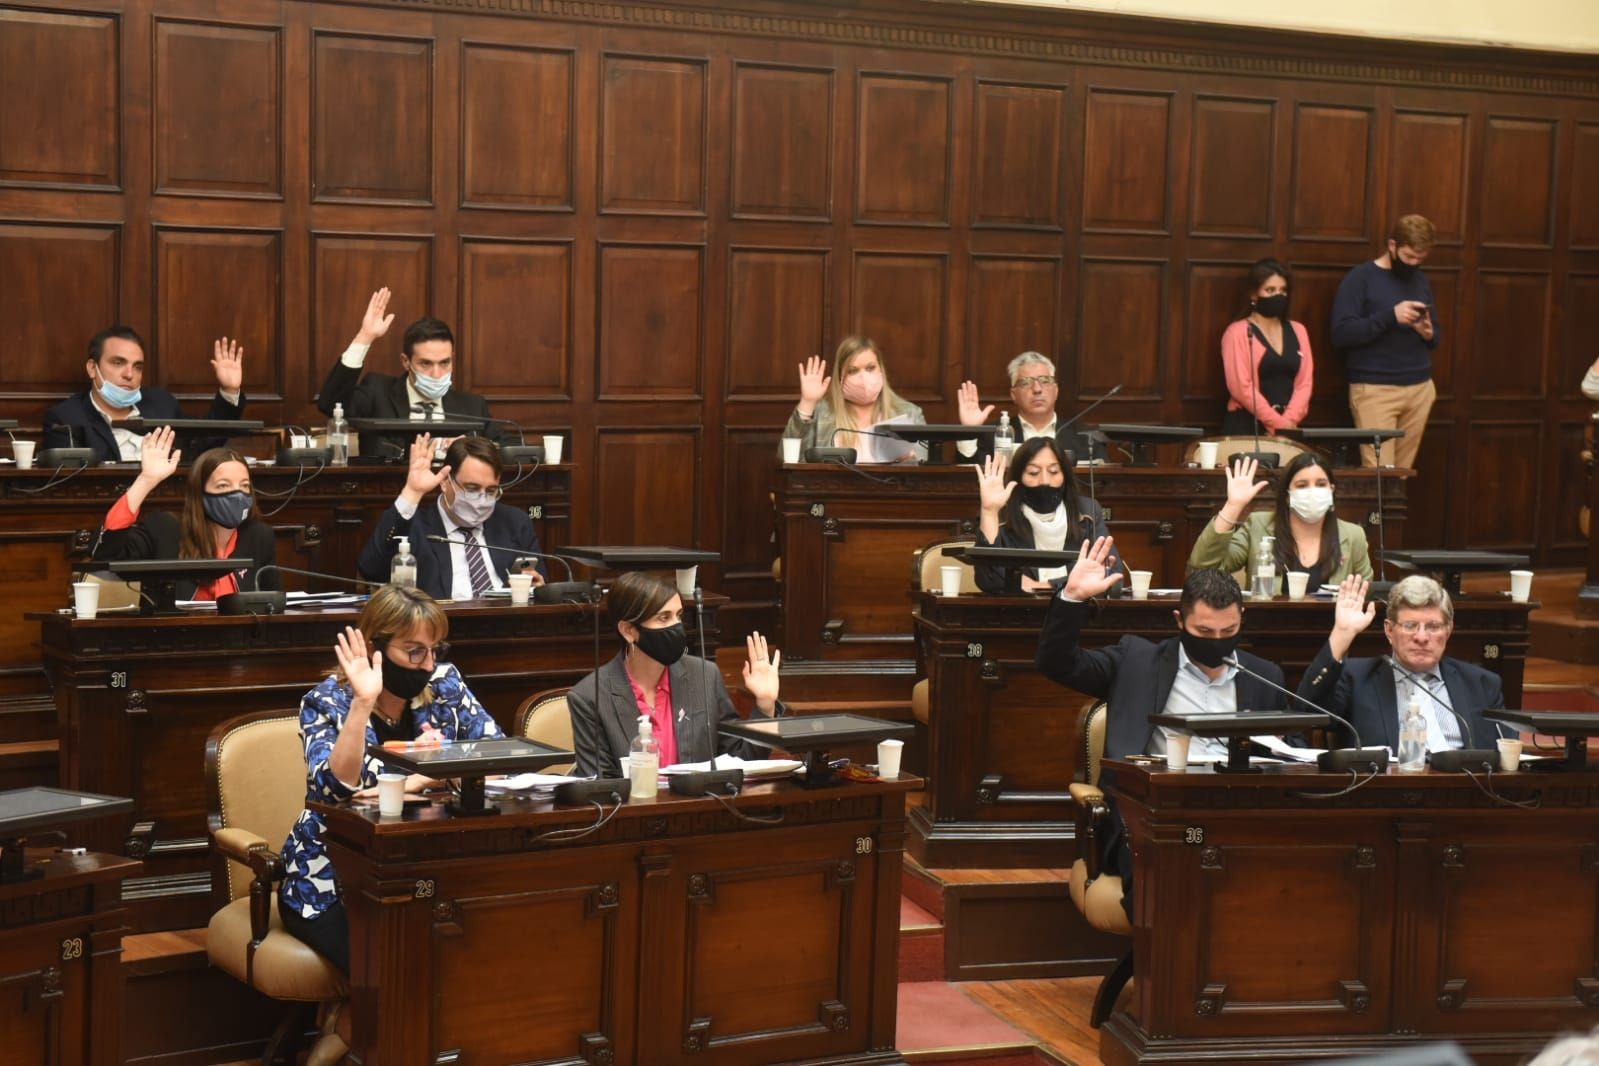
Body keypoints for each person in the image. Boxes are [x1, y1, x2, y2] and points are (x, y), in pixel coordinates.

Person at [1036, 538, 1289, 917]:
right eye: (1205, 632)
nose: (1217, 642)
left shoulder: (1264, 677)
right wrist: (1072, 598)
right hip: (1151, 814)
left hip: (1234, 814)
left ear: (1242, 619)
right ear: (1179, 621)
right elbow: (1057, 663)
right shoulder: (1136, 662)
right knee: (1171, 881)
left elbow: (1291, 750)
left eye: (1228, 631)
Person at [279, 585, 503, 973]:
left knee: (471, 960)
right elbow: (333, 790)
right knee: (396, 973)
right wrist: (363, 703)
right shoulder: (325, 701)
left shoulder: (445, 685)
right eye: (414, 651)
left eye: (434, 650)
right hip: (332, 881)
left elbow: (496, 756)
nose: (427, 665)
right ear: (374, 647)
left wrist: (416, 778)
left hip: (428, 869)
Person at [569, 571, 785, 779]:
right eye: (664, 618)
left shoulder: (704, 676)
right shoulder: (590, 696)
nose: (676, 627)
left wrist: (765, 705)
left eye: (678, 616)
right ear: (628, 631)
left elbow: (742, 761)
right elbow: (599, 787)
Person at [1298, 574, 1507, 751]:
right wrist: (1341, 634)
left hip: (1463, 785)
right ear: (1389, 630)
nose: (1421, 637)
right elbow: (1306, 712)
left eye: (1433, 626)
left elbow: (1506, 752)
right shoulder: (1357, 678)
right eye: (1410, 625)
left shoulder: (1481, 684)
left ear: (1448, 631)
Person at [90, 426, 278, 600]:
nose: (237, 494)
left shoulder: (259, 537)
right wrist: (146, 480)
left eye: (244, 486)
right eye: (223, 485)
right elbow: (104, 552)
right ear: (200, 493)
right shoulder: (164, 530)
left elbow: (272, 604)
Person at [357, 434, 546, 599]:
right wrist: (412, 492)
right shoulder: (415, 526)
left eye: (490, 491)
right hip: (439, 625)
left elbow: (539, 584)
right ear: (446, 482)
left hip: (506, 623)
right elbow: (371, 569)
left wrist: (535, 587)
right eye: (471, 488)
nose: (482, 500)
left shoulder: (514, 523)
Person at [316, 288, 498, 459]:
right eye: (425, 363)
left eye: (444, 363)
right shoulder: (377, 393)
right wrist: (365, 336)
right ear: (406, 361)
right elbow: (330, 404)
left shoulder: (473, 407)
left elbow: (506, 446)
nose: (436, 374)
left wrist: (470, 448)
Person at [44, 327, 247, 463]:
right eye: (118, 363)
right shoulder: (66, 419)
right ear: (92, 368)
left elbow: (204, 442)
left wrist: (229, 390)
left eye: (138, 367)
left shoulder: (161, 404)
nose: (129, 374)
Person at [1331, 214, 1440, 468]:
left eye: (1421, 259)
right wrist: (1391, 316)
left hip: (1420, 388)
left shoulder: (1420, 279)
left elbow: (1436, 336)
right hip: (1375, 390)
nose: (1414, 264)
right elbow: (1341, 333)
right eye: (1409, 257)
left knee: (1400, 476)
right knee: (1380, 475)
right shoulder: (1361, 278)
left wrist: (1428, 333)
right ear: (1392, 245)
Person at [1188, 453, 1372, 587]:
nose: (1313, 491)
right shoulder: (1258, 525)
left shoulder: (1353, 535)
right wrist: (1233, 506)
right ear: (1287, 495)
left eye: (1321, 484)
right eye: (1302, 485)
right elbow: (1203, 569)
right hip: (1264, 625)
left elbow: (1365, 593)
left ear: (1331, 490)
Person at [972, 438, 1114, 593]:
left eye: (1054, 472)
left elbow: (1112, 577)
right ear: (1019, 478)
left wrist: (1046, 586)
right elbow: (990, 581)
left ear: (1065, 476)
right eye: (1033, 473)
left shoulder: (1087, 512)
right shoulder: (1001, 514)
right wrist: (989, 512)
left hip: (1075, 605)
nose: (1045, 481)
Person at [782, 336, 926, 463]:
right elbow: (787, 458)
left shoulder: (909, 413)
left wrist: (911, 459)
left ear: (881, 369)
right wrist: (807, 403)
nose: (863, 377)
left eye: (870, 368)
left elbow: (925, 463)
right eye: (852, 370)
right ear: (840, 377)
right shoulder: (822, 411)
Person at [1221, 259, 1314, 436]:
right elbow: (1241, 388)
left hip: (1289, 428)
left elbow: (1304, 384)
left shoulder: (1299, 330)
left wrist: (1288, 423)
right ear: (1254, 294)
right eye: (1270, 290)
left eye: (1283, 290)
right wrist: (1277, 424)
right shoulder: (1237, 332)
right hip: (1248, 427)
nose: (1278, 296)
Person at [955, 351, 1100, 461]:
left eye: (1045, 381)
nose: (1037, 389)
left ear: (1056, 390)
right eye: (1026, 383)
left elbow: (1103, 482)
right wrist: (969, 431)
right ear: (1014, 394)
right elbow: (967, 479)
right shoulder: (993, 435)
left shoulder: (1085, 436)